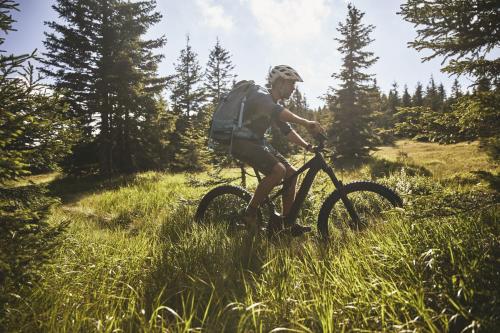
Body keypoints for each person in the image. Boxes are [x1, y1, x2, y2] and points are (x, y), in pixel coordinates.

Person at [230, 65, 324, 235]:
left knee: (291, 173)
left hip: (257, 142)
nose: (294, 88)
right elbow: (279, 113)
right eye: (291, 84)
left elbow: (287, 131)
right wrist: (306, 123)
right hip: (242, 143)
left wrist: (307, 146)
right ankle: (249, 212)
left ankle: (285, 224)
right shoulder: (262, 96)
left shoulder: (273, 103)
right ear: (280, 83)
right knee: (278, 171)